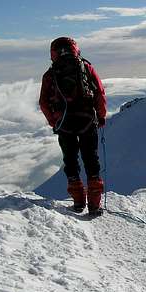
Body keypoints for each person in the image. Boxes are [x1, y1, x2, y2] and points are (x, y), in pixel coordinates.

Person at [39, 37, 106, 216]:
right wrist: (101, 116)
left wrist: (55, 121)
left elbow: (43, 102)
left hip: (64, 122)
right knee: (91, 160)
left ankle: (78, 202)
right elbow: (99, 92)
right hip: (87, 121)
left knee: (70, 160)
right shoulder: (86, 67)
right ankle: (94, 204)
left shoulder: (50, 74)